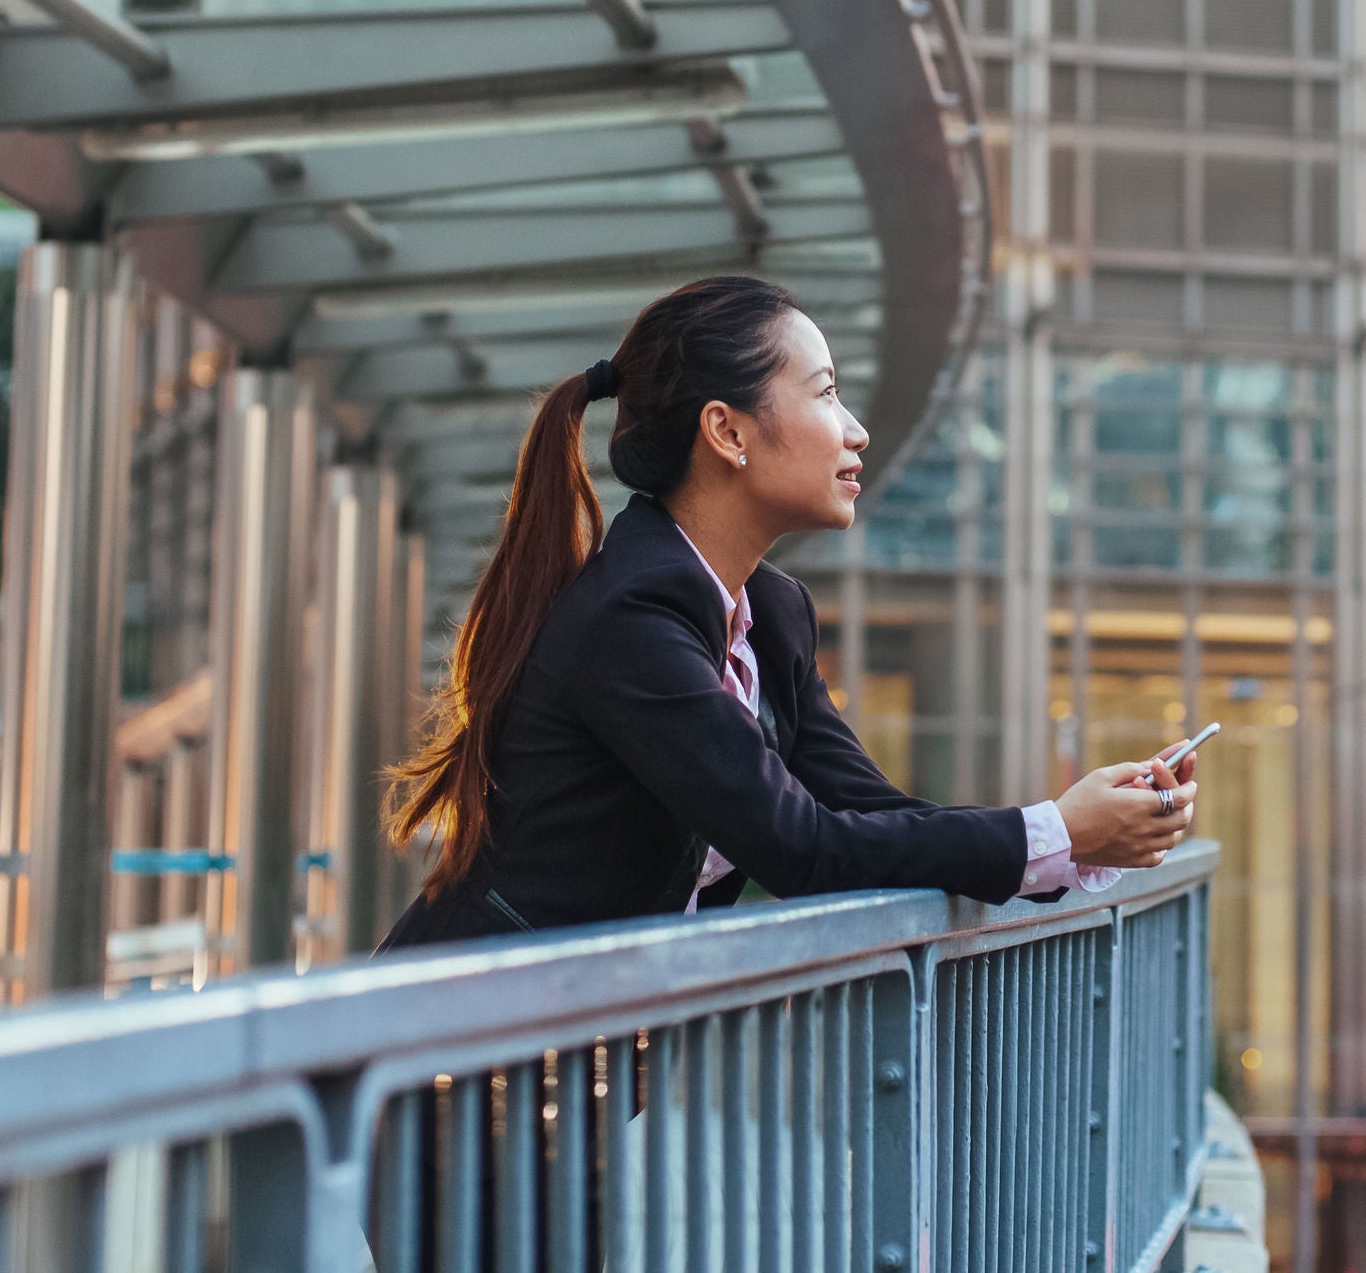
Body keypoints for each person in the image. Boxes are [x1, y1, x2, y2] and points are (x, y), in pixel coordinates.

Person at [377, 273, 1196, 949]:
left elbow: (871, 814)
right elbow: (799, 844)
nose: (857, 430)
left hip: (549, 1064)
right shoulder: (634, 620)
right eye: (827, 394)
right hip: (445, 1061)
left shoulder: (770, 611)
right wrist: (1056, 828)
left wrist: (1076, 835)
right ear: (727, 432)